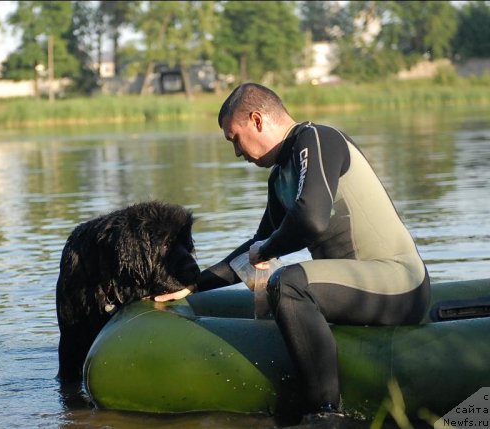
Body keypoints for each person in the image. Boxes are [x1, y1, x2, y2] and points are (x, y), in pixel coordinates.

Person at [156, 82, 430, 421]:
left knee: (288, 284)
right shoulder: (281, 177)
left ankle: (325, 414)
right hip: (362, 289)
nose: (237, 153)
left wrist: (267, 249)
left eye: (235, 138)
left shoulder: (317, 139)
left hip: (400, 283)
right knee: (284, 281)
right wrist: (196, 284)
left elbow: (310, 220)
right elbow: (256, 246)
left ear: (257, 119)